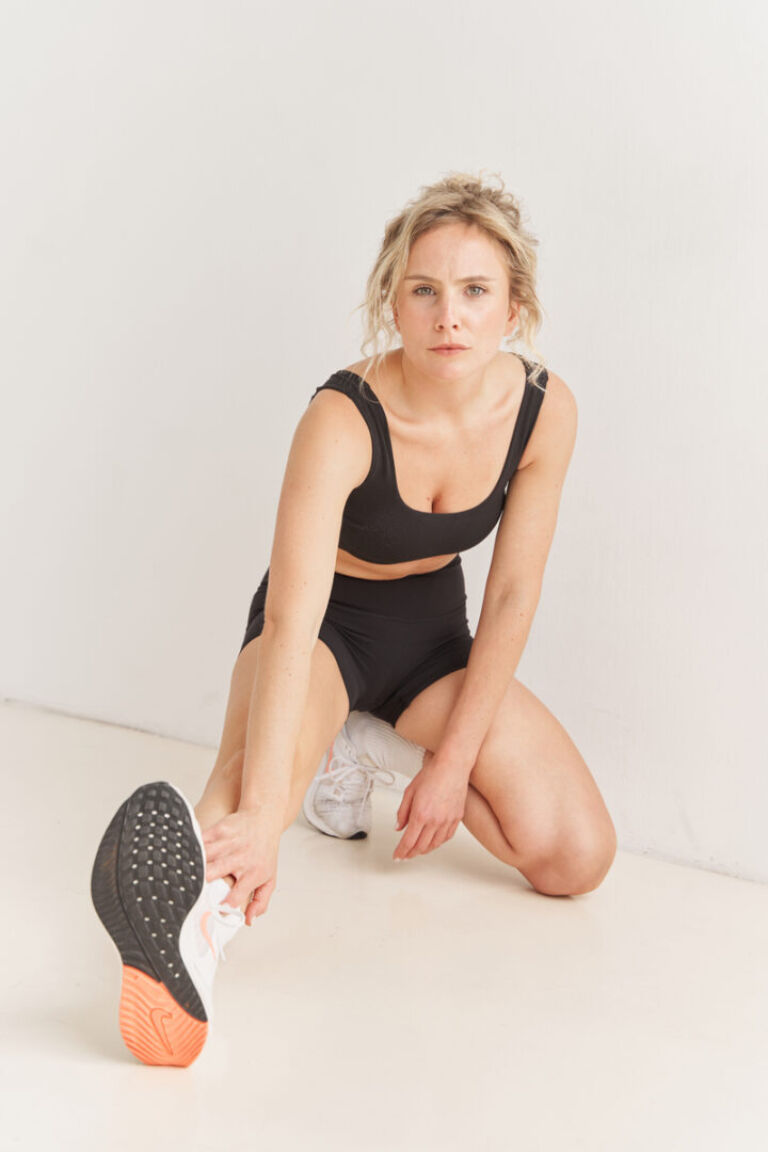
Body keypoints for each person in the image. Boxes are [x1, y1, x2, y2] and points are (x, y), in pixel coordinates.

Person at [91, 171, 617, 1067]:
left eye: (475, 291)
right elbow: (292, 619)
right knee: (250, 791)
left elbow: (511, 598)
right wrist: (267, 816)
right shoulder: (342, 417)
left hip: (433, 640)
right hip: (323, 631)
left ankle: (371, 746)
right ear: (393, 302)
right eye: (425, 291)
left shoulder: (543, 411)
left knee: (576, 857)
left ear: (514, 305)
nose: (449, 317)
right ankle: (192, 938)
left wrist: (449, 767)